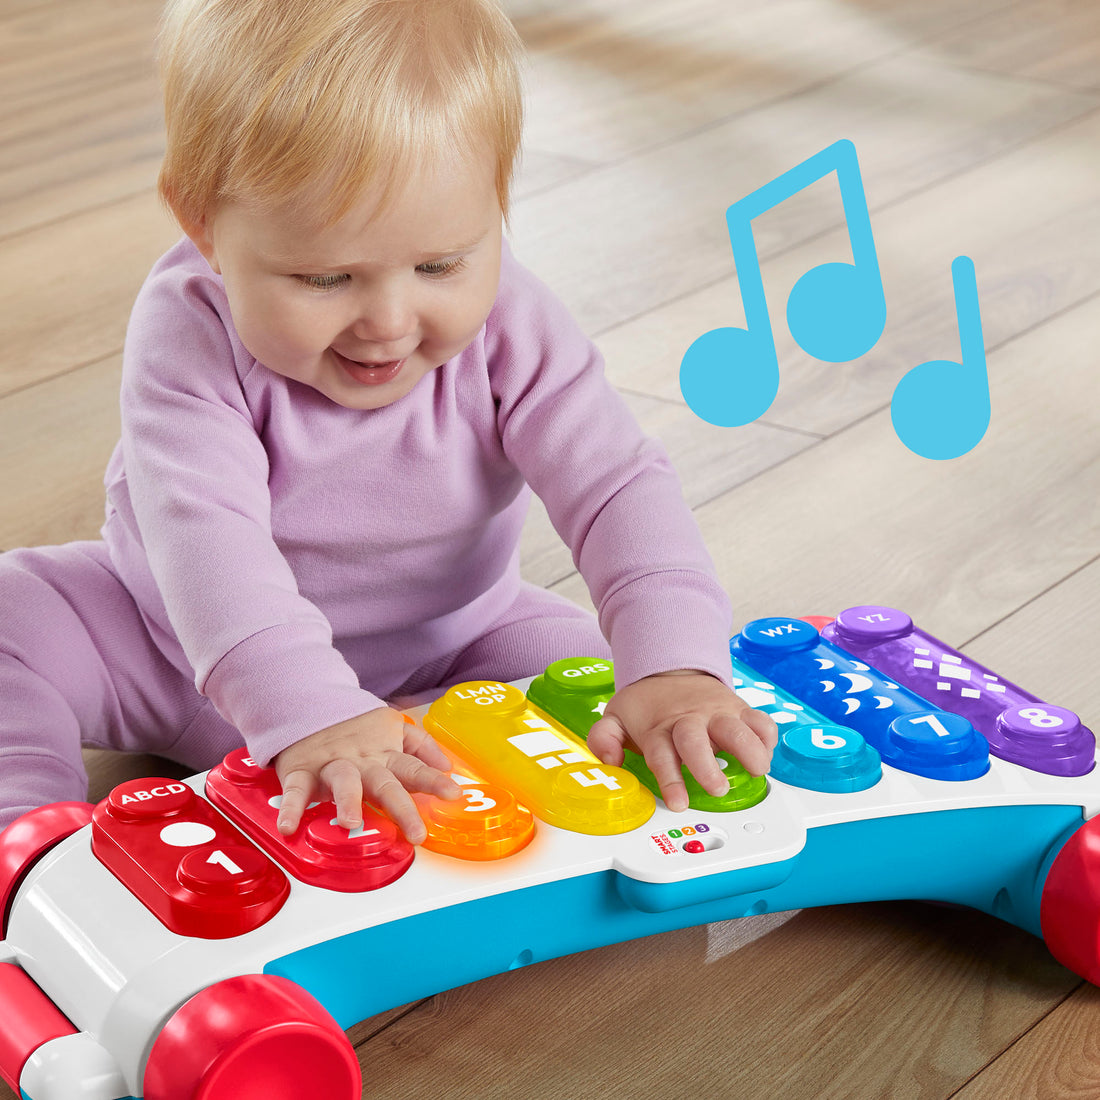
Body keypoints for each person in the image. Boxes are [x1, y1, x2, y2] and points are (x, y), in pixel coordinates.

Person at [0, 0, 776, 840]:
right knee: (17, 615)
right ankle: (32, 842)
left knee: (584, 672)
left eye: (441, 264)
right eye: (326, 279)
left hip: (449, 654)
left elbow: (616, 485)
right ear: (203, 225)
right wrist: (308, 706)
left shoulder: (515, 322)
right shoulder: (189, 328)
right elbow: (203, 537)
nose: (390, 321)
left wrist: (673, 664)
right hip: (171, 656)